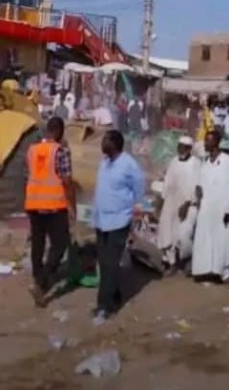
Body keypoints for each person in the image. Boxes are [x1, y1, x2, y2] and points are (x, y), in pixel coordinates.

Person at [92, 130, 145, 322]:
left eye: (106, 140)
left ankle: (103, 307)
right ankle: (114, 296)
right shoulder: (104, 163)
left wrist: (137, 209)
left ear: (116, 144)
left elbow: (139, 187)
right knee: (104, 264)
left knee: (111, 263)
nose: (103, 143)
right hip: (101, 220)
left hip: (118, 220)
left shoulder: (129, 164)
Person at [24, 117, 76, 307]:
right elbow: (67, 181)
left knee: (38, 243)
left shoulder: (32, 150)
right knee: (60, 243)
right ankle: (43, 283)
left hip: (33, 204)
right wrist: (72, 205)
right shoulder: (60, 151)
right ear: (60, 132)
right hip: (54, 204)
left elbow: (31, 173)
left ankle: (37, 277)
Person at [191, 130, 229, 283]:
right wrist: (198, 193)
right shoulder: (205, 163)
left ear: (216, 142)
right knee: (206, 240)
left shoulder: (227, 161)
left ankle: (224, 274)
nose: (205, 143)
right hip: (207, 208)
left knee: (224, 241)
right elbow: (200, 183)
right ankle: (207, 270)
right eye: (205, 140)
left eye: (208, 141)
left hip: (223, 209)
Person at [157, 136, 200, 275]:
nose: (180, 149)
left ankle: (187, 259)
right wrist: (161, 202)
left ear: (189, 149)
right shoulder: (173, 162)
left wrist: (187, 204)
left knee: (183, 235)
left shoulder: (195, 163)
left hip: (189, 205)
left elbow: (197, 186)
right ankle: (171, 261)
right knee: (166, 232)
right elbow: (167, 183)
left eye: (184, 147)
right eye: (179, 146)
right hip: (171, 202)